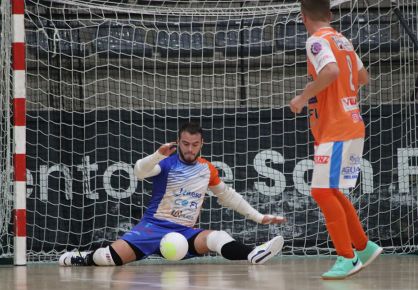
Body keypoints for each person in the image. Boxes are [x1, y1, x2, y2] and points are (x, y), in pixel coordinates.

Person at [59, 122, 286, 267]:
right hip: (152, 228)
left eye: (194, 145)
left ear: (201, 144)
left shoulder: (207, 169)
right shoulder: (165, 163)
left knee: (217, 237)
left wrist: (258, 217)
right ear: (178, 142)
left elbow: (227, 196)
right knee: (107, 258)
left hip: (185, 232)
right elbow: (139, 172)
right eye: (185, 144)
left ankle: (254, 253)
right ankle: (85, 257)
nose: (189, 149)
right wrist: (157, 155)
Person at [289, 0, 383, 280]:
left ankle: (347, 256)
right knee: (333, 191)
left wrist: (303, 96)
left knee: (321, 191)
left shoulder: (316, 41)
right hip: (353, 124)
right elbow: (363, 77)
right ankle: (364, 248)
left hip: (336, 127)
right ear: (329, 15)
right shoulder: (344, 41)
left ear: (304, 17)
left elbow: (330, 72)